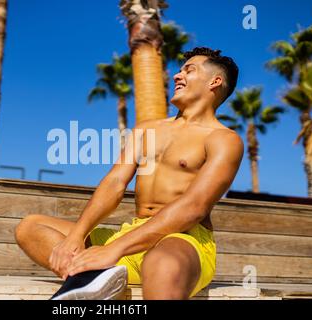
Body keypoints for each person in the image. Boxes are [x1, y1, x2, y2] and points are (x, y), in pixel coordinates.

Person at [15, 47, 244, 300]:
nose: (177, 76)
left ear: (215, 81)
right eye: (179, 71)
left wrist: (114, 249)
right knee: (31, 227)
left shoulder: (224, 139)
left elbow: (194, 207)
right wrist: (77, 236)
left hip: (182, 238)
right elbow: (115, 182)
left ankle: (92, 277)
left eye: (189, 70)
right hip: (130, 234)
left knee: (163, 263)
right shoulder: (146, 130)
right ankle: (96, 280)